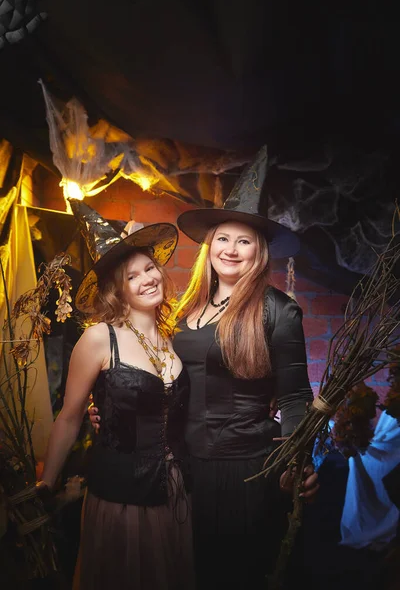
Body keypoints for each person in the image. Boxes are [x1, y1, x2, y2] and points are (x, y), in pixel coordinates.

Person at [90, 146, 318, 589]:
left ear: (259, 251)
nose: (231, 250)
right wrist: (108, 409)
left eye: (244, 241)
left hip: (244, 469)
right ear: (209, 246)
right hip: (181, 467)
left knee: (234, 575)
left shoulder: (278, 311)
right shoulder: (185, 309)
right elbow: (155, 374)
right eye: (223, 239)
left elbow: (294, 397)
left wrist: (300, 461)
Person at [37, 199, 195, 590]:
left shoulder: (173, 339)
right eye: (132, 276)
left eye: (149, 268)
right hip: (120, 496)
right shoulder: (97, 339)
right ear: (116, 290)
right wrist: (47, 482)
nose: (147, 279)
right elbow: (71, 415)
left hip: (175, 493)